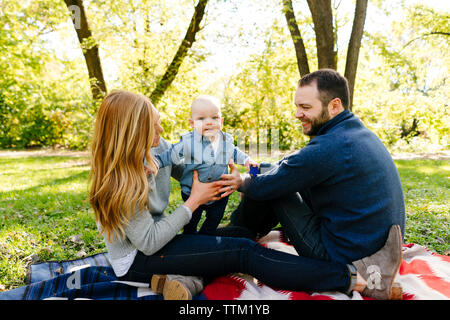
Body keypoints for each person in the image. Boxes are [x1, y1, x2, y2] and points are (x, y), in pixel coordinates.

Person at [89, 89, 403, 300]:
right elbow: (148, 241)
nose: (161, 136)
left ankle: (179, 278)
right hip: (139, 259)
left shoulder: (154, 150)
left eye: (159, 127)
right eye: (154, 130)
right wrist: (193, 201)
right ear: (132, 134)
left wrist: (221, 173)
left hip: (163, 243)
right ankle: (351, 278)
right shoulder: (118, 181)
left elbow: (188, 163)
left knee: (240, 232)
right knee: (243, 251)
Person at [222, 69, 406, 296]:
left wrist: (240, 181)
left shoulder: (332, 146)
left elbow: (267, 185)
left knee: (272, 184)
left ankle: (233, 236)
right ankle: (243, 231)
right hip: (371, 247)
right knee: (275, 173)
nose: (298, 114)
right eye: (297, 107)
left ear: (334, 106)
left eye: (306, 107)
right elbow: (297, 164)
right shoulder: (354, 133)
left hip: (344, 257)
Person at [154, 95, 256, 235]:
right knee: (191, 220)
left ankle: (206, 236)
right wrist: (157, 162)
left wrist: (246, 160)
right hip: (192, 192)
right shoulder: (188, 142)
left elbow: (234, 152)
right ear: (192, 123)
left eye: (214, 118)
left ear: (221, 121)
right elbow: (171, 154)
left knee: (214, 218)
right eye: (201, 119)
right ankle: (190, 236)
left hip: (218, 193)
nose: (209, 122)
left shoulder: (225, 140)